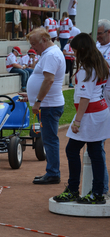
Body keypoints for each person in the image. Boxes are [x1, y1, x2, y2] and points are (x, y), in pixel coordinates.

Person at [53, 32, 110, 204]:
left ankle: (78, 190)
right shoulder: (100, 63)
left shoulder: (87, 68)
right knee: (94, 153)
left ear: (82, 50)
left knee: (74, 150)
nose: (74, 53)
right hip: (98, 112)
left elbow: (85, 98)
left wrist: (77, 121)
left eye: (76, 50)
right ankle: (95, 191)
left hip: (90, 114)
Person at [20, 28, 65, 185]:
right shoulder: (49, 53)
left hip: (48, 105)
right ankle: (52, 172)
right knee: (49, 139)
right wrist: (32, 96)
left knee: (50, 140)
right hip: (48, 104)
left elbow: (49, 80)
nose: (33, 48)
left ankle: (53, 173)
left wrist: (38, 101)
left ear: (44, 41)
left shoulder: (51, 55)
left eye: (34, 44)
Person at [96, 19, 110, 196]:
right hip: (98, 95)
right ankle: (102, 187)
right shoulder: (97, 47)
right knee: (98, 140)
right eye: (97, 33)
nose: (98, 36)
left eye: (100, 33)